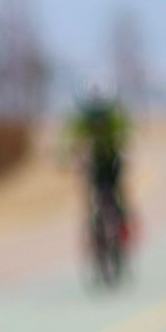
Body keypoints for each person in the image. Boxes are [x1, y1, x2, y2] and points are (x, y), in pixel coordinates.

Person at [66, 85, 132, 239]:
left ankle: (123, 225)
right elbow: (72, 140)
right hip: (94, 163)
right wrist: (72, 157)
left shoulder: (113, 118)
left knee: (118, 192)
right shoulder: (84, 120)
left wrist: (126, 151)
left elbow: (126, 134)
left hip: (112, 160)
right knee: (91, 194)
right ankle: (94, 229)